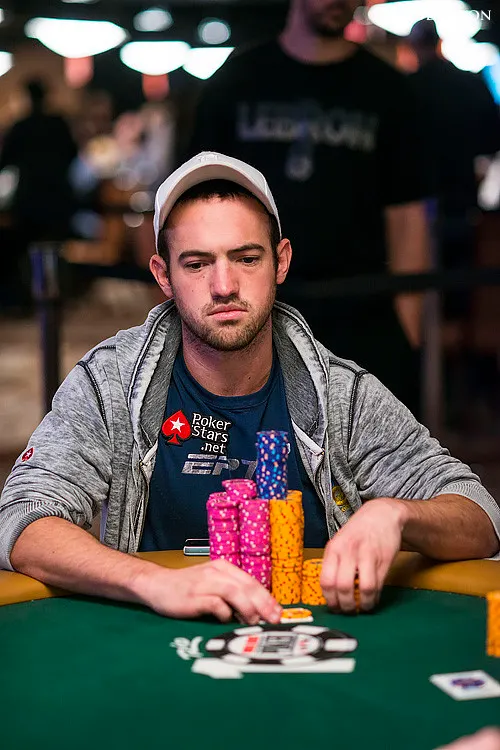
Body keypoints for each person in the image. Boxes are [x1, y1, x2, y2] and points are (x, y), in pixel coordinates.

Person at [0, 152, 498, 624]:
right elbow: (22, 516)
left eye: (245, 258)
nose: (224, 286)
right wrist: (150, 581)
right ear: (163, 275)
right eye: (197, 263)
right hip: (152, 637)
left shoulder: (340, 393)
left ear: (280, 262)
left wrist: (397, 515)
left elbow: (480, 514)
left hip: (309, 637)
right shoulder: (111, 381)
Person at [188, 0, 431, 415]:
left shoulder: (388, 89)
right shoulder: (238, 80)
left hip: (363, 316)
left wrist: (408, 330)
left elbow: (408, 216)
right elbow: (195, 211)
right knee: (258, 449)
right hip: (256, 312)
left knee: (363, 453)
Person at [408, 19, 500, 322]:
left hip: (418, 201)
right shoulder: (468, 84)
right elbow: (493, 136)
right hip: (462, 199)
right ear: (438, 42)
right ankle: (458, 340)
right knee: (461, 284)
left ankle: (430, 340)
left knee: (420, 281)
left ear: (414, 46)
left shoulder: (407, 88)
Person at [0, 79, 78, 313]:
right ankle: (57, 300)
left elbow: (5, 161)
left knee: (24, 250)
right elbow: (73, 154)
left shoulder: (21, 126)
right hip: (58, 197)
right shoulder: (58, 124)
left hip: (29, 199)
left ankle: (30, 300)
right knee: (55, 250)